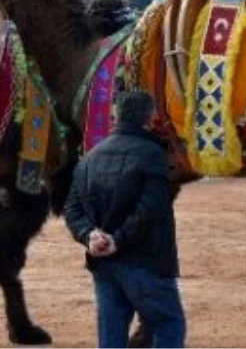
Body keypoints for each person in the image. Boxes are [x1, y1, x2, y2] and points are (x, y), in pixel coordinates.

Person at [64, 91, 185, 348]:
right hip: (146, 261)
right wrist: (118, 240)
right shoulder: (153, 154)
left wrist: (89, 235)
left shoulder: (90, 157)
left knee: (111, 335)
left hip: (104, 265)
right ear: (151, 118)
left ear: (116, 116)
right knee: (169, 324)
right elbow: (151, 208)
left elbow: (73, 210)